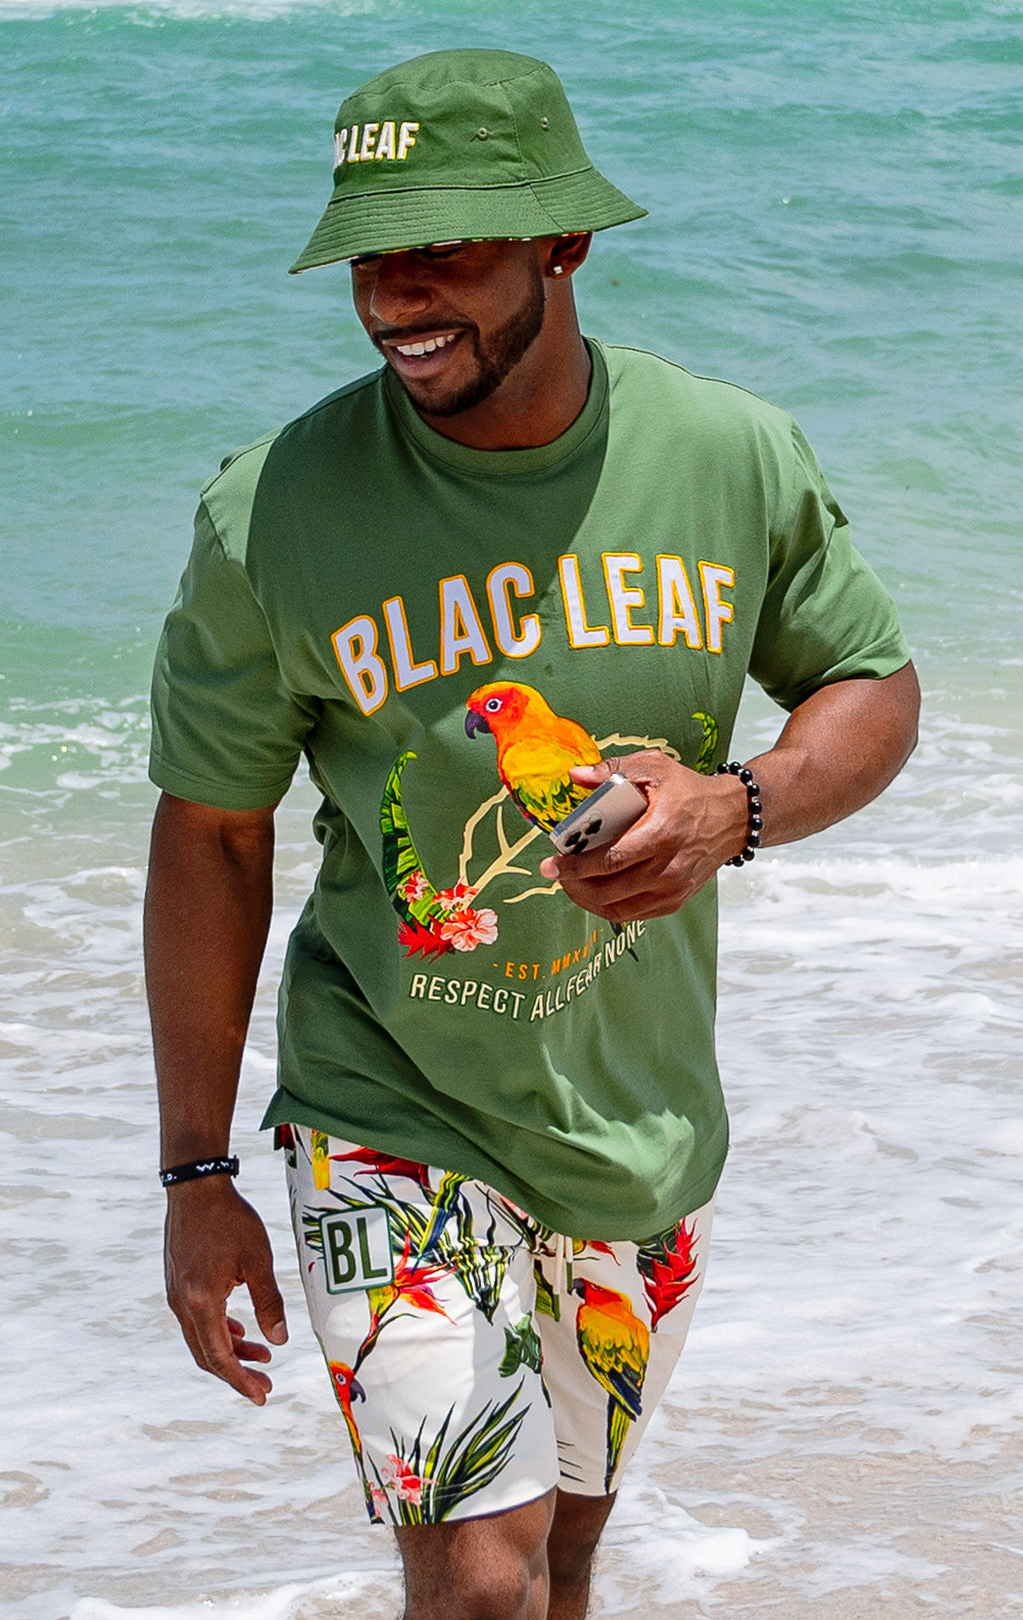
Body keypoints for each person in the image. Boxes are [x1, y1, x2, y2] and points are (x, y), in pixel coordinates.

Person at [145, 47, 919, 1620]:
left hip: (632, 1115)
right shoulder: (271, 512)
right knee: (481, 1574)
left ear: (563, 245)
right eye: (374, 253)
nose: (395, 297)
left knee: (565, 1550)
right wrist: (194, 1173)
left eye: (447, 250)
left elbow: (869, 683)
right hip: (388, 1094)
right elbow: (214, 834)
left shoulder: (727, 457)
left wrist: (737, 808)